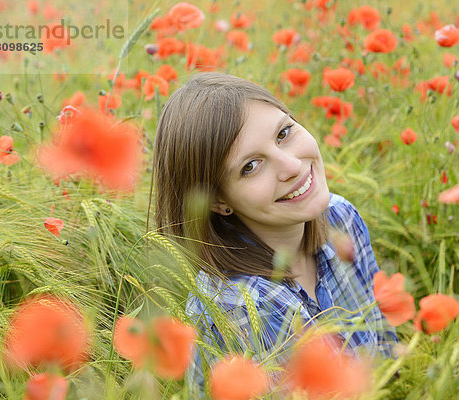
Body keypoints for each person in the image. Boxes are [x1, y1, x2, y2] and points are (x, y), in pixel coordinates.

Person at [152, 72, 397, 397]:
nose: (292, 165)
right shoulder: (242, 307)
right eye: (251, 166)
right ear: (218, 201)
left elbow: (385, 349)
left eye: (284, 132)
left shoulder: (340, 218)